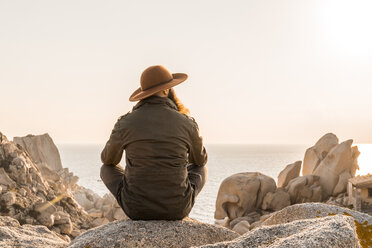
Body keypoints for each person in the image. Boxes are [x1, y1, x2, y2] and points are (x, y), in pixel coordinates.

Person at [100, 65, 208, 220]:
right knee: (201, 168)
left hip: (136, 210)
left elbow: (108, 160)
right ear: (165, 91)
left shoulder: (126, 123)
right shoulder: (186, 123)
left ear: (144, 94)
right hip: (177, 209)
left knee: (105, 169)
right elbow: (200, 160)